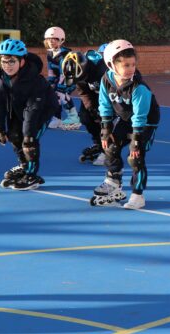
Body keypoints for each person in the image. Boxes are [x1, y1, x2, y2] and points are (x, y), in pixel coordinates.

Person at [91, 40, 160, 209]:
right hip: (125, 119)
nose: (131, 69)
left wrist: (136, 140)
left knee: (135, 157)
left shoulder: (138, 87)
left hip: (145, 122)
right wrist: (106, 129)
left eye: (133, 64)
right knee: (110, 147)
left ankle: (138, 195)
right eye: (126, 65)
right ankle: (113, 183)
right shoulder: (106, 80)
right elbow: (104, 104)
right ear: (111, 65)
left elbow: (140, 116)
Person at [0, 39, 58, 190]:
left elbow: (33, 109)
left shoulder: (35, 80)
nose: (7, 65)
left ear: (22, 61)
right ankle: (24, 166)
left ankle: (32, 175)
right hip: (19, 108)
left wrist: (28, 133)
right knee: (14, 136)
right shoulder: (1, 78)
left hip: (42, 109)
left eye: (12, 61)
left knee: (29, 142)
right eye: (4, 61)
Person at [61, 46, 109, 165]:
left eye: (80, 77)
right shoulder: (77, 72)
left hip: (111, 95)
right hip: (93, 93)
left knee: (106, 120)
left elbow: (112, 95)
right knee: (85, 117)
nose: (79, 80)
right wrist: (92, 110)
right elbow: (83, 92)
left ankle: (109, 149)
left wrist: (102, 114)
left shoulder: (103, 71)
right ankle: (99, 143)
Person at [43, 26, 78, 129]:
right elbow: (51, 69)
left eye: (54, 39)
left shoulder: (66, 54)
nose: (51, 41)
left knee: (60, 93)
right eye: (49, 39)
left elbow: (66, 73)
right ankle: (56, 117)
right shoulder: (50, 53)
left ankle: (74, 117)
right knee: (52, 93)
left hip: (70, 78)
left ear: (61, 40)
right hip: (60, 77)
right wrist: (51, 83)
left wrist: (59, 86)